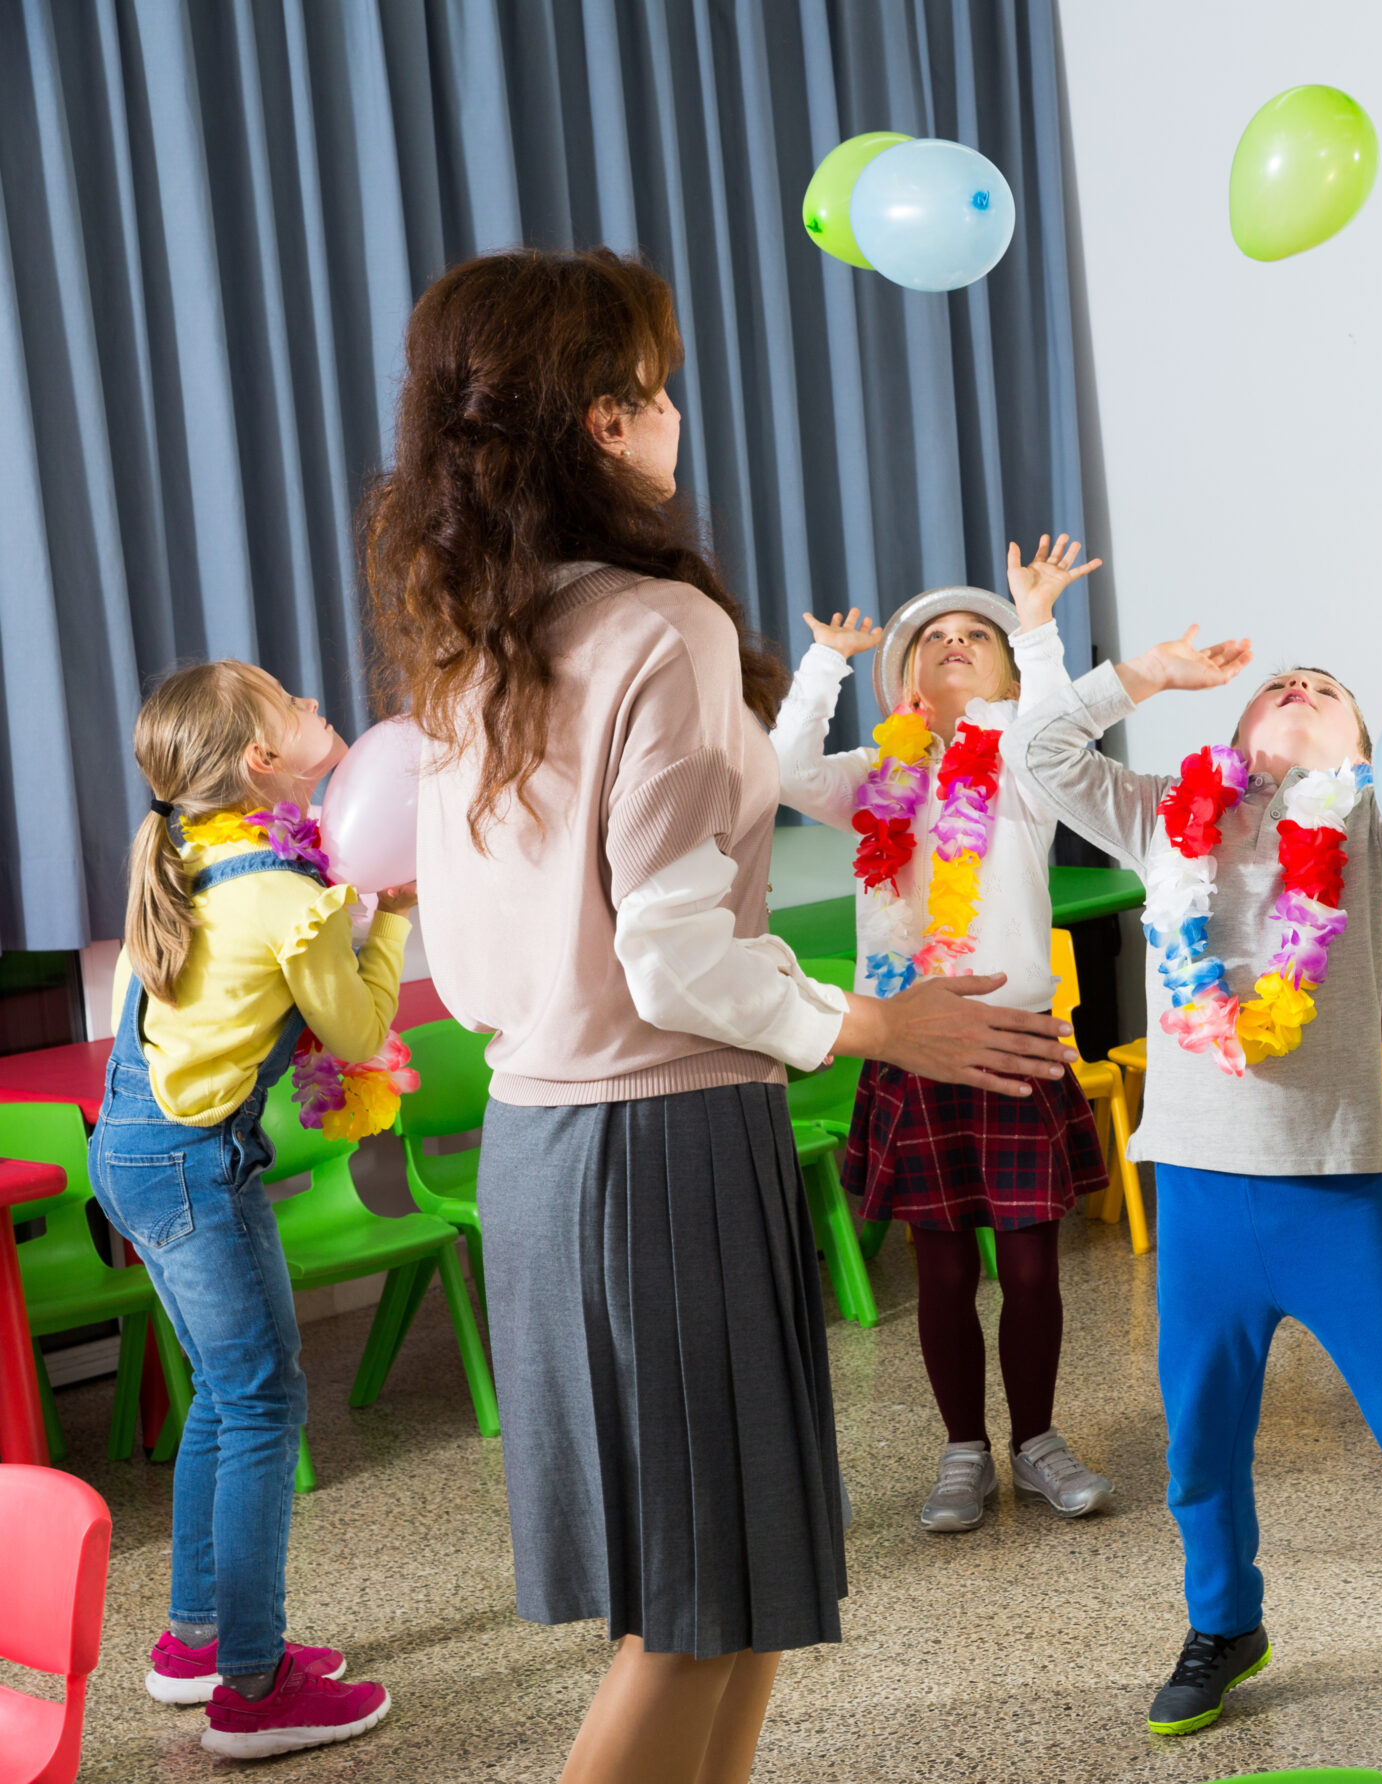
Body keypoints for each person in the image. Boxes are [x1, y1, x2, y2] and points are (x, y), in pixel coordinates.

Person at [369, 246, 1076, 1784]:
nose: (678, 411)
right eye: (655, 384)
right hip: (665, 1148)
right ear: (606, 422)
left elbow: (500, 961)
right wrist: (881, 1030)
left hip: (543, 1149)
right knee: (701, 1605)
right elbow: (675, 961)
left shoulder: (474, 641)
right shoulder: (653, 630)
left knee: (752, 1582)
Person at [1015, 486, 1382, 1743]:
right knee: (1199, 1449)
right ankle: (1225, 1619)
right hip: (1195, 1185)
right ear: (1237, 722)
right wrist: (1144, 671)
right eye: (1278, 683)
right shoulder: (1164, 821)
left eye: (1327, 686)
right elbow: (1038, 758)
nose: (1299, 684)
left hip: (1331, 1186)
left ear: (1357, 746)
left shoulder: (1364, 834)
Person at [92, 661, 404, 1757]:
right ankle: (254, 1687)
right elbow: (361, 1032)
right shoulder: (281, 890)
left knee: (227, 1399)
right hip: (186, 1162)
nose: (318, 702)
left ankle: (195, 1640)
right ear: (263, 761)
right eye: (292, 701)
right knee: (266, 1401)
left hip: (138, 1146)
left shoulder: (193, 847)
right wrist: (392, 917)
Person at [771, 540, 1116, 1534]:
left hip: (1012, 1038)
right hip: (914, 1042)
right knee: (942, 1268)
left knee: (1035, 1264)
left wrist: (1040, 622)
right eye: (934, 638)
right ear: (907, 678)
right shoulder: (875, 774)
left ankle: (1039, 1439)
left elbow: (1057, 733)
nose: (955, 643)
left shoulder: (1019, 763)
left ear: (1004, 673)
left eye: (978, 635)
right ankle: (963, 1447)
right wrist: (826, 665)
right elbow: (781, 769)